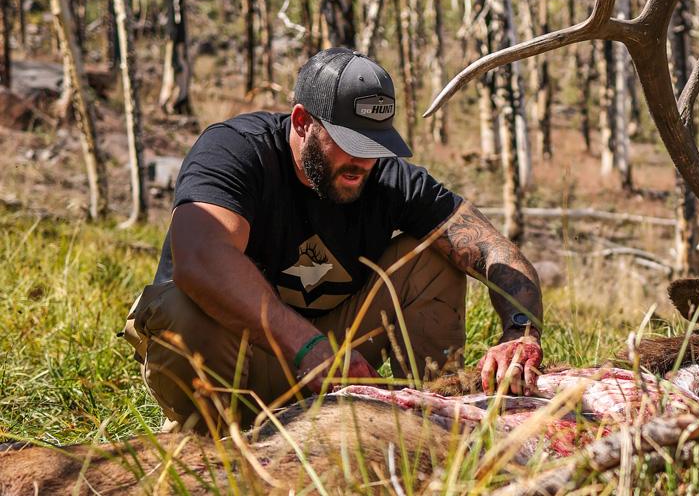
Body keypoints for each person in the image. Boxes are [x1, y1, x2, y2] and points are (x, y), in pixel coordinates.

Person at [123, 47, 544, 431]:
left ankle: (414, 425)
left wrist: (521, 332)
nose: (363, 161)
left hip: (334, 363)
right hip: (240, 357)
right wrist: (307, 347)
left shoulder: (388, 178)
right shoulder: (236, 150)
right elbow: (201, 257)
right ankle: (211, 438)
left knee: (431, 260)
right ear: (303, 122)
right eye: (350, 143)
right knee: (186, 303)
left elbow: (493, 249)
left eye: (376, 145)